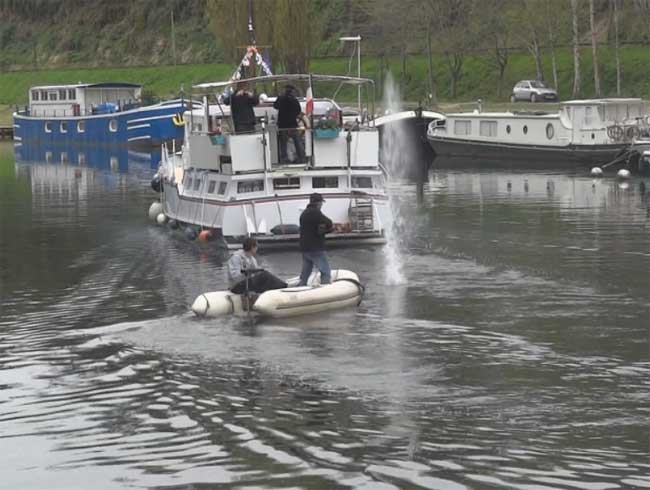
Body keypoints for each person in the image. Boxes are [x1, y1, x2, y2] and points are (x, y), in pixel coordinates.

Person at [298, 193, 334, 286]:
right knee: (325, 271)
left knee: (306, 273)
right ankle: (326, 289)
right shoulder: (316, 212)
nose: (322, 205)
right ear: (318, 203)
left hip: (305, 248)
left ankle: (300, 287)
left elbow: (310, 229)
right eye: (321, 203)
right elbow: (329, 222)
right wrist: (328, 229)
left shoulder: (304, 213)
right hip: (316, 248)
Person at [273, 84, 306, 163]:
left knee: (283, 143)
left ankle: (284, 158)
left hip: (282, 124)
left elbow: (275, 106)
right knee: (297, 142)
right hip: (292, 123)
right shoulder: (294, 99)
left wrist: (280, 97)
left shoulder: (281, 98)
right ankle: (301, 157)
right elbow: (298, 110)